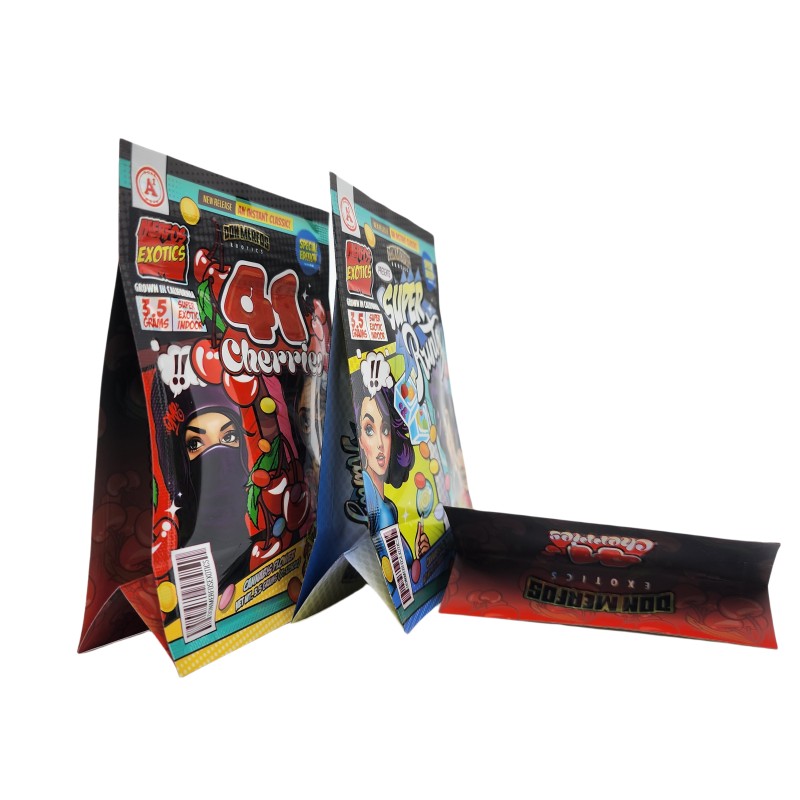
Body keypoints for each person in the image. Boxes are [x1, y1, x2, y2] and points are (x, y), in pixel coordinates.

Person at [154, 382, 254, 589]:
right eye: (195, 444)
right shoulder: (175, 540)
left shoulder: (267, 534)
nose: (218, 458)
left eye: (229, 437)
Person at [352, 377, 430, 602]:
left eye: (385, 429)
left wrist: (419, 557)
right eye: (369, 429)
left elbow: (398, 576)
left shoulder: (387, 507)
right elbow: (397, 584)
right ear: (358, 438)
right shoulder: (370, 501)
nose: (380, 443)